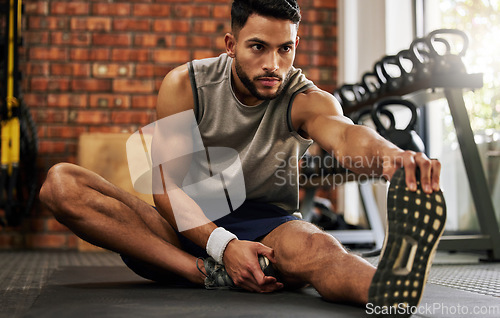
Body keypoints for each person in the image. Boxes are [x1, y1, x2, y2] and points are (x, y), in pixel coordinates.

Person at [39, 0, 445, 314]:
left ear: (295, 45)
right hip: (185, 227)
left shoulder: (304, 99)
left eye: (285, 49)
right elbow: (167, 189)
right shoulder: (186, 84)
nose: (273, 64)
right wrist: (223, 247)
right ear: (231, 45)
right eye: (258, 47)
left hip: (269, 228)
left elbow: (345, 136)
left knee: (322, 252)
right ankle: (205, 274)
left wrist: (394, 159)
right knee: (62, 183)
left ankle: (388, 290)